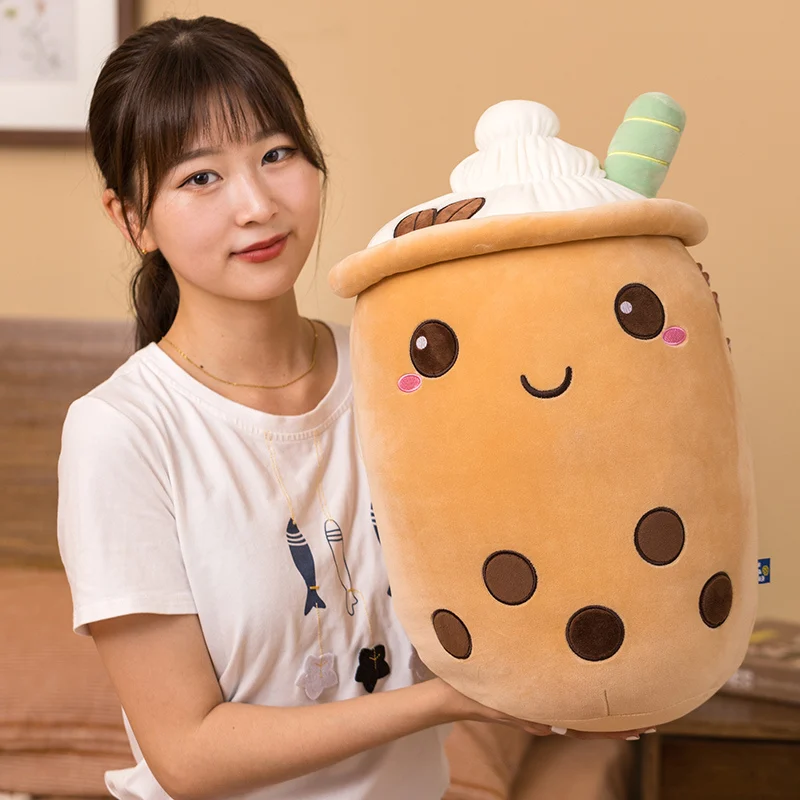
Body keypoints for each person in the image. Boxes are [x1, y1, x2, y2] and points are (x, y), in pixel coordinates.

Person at [56, 15, 652, 800]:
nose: (257, 204)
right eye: (201, 178)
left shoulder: (403, 368)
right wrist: (447, 701)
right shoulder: (122, 433)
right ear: (132, 219)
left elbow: (536, 528)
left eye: (277, 154)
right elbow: (188, 754)